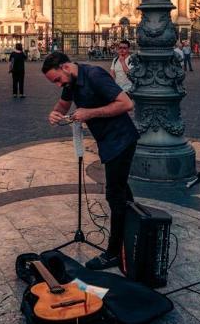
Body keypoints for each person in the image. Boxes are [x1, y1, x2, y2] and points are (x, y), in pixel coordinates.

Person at [42, 52, 138, 271]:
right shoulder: (71, 81)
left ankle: (113, 253)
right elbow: (62, 106)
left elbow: (126, 104)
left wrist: (89, 113)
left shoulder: (94, 75)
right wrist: (55, 115)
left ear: (66, 67)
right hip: (108, 141)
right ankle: (134, 232)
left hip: (121, 139)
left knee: (115, 194)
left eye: (57, 79)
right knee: (122, 193)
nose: (58, 85)